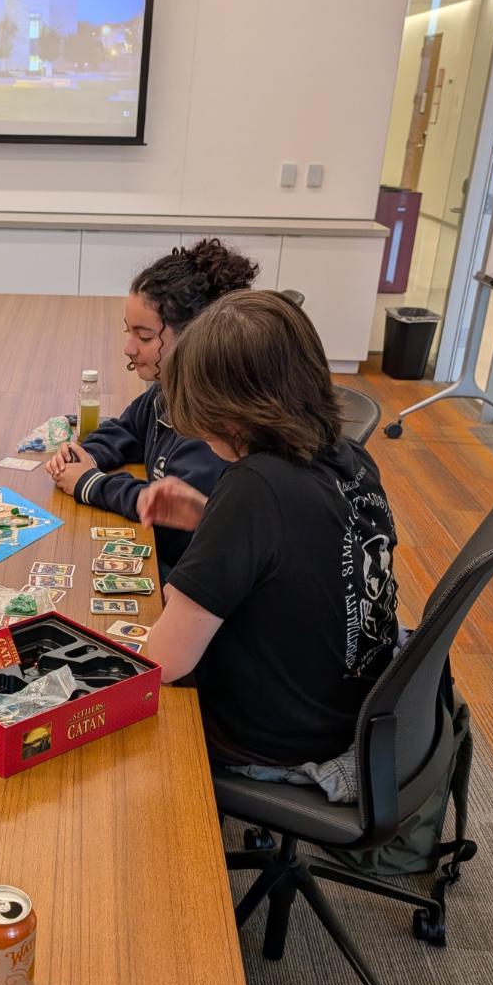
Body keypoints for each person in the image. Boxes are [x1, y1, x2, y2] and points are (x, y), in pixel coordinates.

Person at [141, 289, 399, 782]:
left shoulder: (254, 487)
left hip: (271, 739)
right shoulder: (348, 457)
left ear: (231, 409)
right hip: (347, 710)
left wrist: (223, 521)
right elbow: (303, 550)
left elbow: (166, 661)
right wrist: (210, 518)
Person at [45, 238, 257, 571]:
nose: (129, 348)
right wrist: (87, 455)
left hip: (178, 572)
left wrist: (90, 483)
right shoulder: (166, 390)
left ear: (194, 336)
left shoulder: (212, 424)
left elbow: (166, 513)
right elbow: (129, 428)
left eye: (144, 337)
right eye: (128, 332)